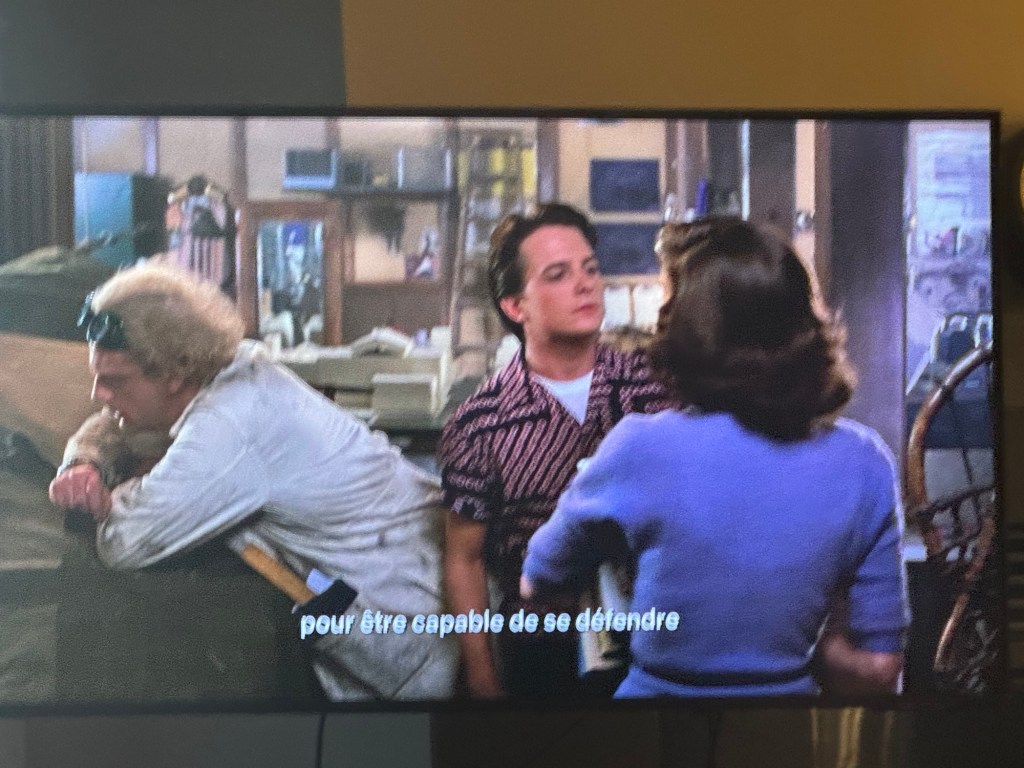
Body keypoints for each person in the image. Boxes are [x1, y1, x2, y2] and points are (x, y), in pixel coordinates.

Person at [521, 217, 910, 698]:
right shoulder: (865, 462)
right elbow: (878, 669)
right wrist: (815, 643)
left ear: (687, 331)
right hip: (794, 727)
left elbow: (538, 581)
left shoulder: (639, 447)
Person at [48, 263, 457, 701]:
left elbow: (123, 543)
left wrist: (115, 493)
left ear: (173, 372)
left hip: (414, 635)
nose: (98, 393)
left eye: (114, 381)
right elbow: (113, 420)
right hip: (407, 594)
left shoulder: (229, 427)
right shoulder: (230, 366)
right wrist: (84, 462)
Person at [439, 203, 674, 698]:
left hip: (658, 640)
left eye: (590, 268)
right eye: (558, 275)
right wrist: (483, 679)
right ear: (514, 306)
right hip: (543, 649)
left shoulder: (656, 389)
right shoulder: (479, 423)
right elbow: (464, 560)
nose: (586, 285)